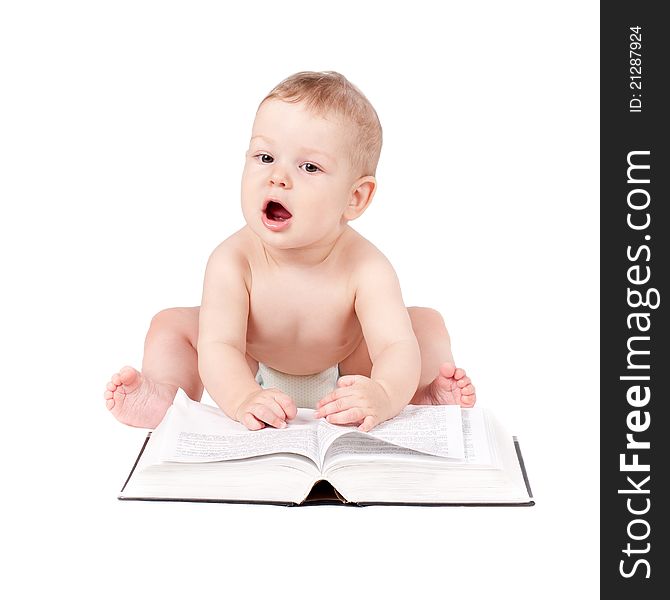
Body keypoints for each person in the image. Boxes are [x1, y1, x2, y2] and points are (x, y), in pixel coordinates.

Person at [104, 71, 476, 433]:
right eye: (265, 158)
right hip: (252, 366)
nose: (278, 177)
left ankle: (422, 397)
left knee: (423, 326)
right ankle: (167, 394)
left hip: (350, 371)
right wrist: (242, 397)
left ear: (355, 197)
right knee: (171, 325)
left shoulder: (367, 266)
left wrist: (383, 392)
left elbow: (394, 346)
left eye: (309, 166)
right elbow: (220, 345)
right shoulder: (233, 260)